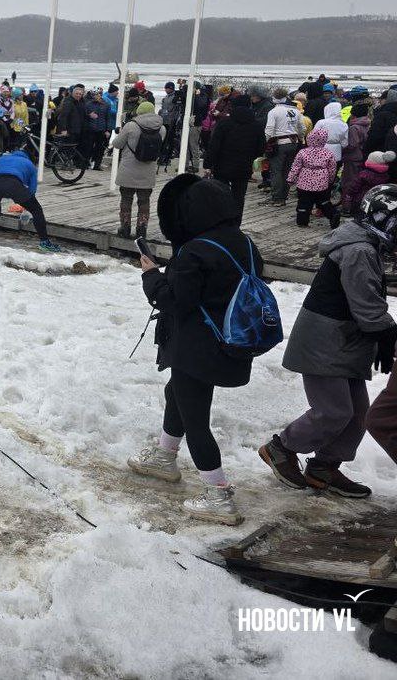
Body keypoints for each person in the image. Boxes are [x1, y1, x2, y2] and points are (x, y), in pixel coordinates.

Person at [128, 175, 264, 525]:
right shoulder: (244, 244)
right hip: (229, 341)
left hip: (196, 347)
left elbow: (173, 301)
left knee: (195, 417)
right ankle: (164, 456)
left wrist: (150, 274)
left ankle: (219, 494)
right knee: (177, 393)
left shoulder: (195, 251)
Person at [260, 185, 397, 498]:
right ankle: (280, 448)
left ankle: (325, 466)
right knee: (333, 410)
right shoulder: (359, 250)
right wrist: (386, 334)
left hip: (344, 340)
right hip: (326, 341)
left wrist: (381, 335)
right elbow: (366, 305)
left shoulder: (366, 243)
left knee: (358, 412)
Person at [0, 145, 62, 252]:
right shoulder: (29, 164)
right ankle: (44, 242)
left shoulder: (2, 158)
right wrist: (26, 199)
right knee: (36, 210)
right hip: (15, 184)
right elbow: (32, 188)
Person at [205, 95, 266, 225]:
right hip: (243, 166)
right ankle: (235, 225)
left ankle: (220, 223)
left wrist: (208, 164)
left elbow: (214, 145)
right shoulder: (257, 125)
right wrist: (250, 156)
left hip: (222, 166)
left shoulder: (224, 123)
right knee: (239, 197)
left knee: (221, 195)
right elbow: (261, 148)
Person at [110, 101, 166, 239]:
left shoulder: (131, 126)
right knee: (144, 200)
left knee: (126, 199)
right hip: (148, 170)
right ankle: (142, 228)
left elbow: (116, 144)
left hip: (128, 169)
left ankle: (125, 227)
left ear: (139, 112)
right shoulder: (162, 128)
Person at [287, 128, 340, 228]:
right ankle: (333, 214)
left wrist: (291, 179)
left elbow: (296, 167)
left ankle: (302, 221)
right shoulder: (328, 153)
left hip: (304, 182)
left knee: (304, 202)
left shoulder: (303, 152)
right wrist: (330, 180)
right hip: (321, 181)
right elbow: (332, 168)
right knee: (323, 200)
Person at [265, 89, 305, 205]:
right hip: (294, 143)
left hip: (279, 143)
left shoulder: (273, 112)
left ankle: (277, 197)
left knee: (276, 171)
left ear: (274, 99)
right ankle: (284, 195)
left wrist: (267, 143)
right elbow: (302, 128)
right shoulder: (296, 111)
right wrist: (300, 140)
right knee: (287, 170)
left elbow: (269, 130)